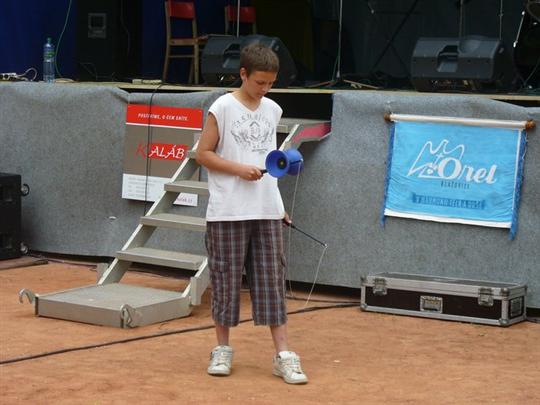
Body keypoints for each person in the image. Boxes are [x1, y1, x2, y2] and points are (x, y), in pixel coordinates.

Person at [196, 43, 308, 385]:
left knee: (272, 279)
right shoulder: (222, 107)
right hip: (227, 209)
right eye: (260, 82)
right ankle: (222, 348)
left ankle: (283, 354)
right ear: (242, 74)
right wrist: (238, 170)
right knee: (225, 279)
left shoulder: (272, 109)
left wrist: (278, 205)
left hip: (266, 208)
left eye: (271, 83)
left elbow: (270, 160)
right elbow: (203, 153)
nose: (265, 89)